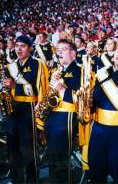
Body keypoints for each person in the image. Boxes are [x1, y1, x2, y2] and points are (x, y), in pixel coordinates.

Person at [88, 39, 118, 183]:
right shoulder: (102, 73)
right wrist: (89, 102)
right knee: (96, 169)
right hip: (98, 128)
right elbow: (95, 100)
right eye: (117, 50)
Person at [3, 35, 49, 183]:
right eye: (16, 46)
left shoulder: (38, 64)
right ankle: (16, 179)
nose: (19, 49)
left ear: (30, 48)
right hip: (12, 111)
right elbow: (7, 89)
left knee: (29, 150)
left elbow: (40, 90)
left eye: (22, 46)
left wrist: (14, 86)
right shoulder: (11, 66)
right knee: (12, 149)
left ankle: (32, 180)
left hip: (29, 110)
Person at [44, 39, 82, 183]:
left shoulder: (80, 71)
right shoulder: (57, 71)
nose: (59, 51)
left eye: (64, 49)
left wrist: (62, 90)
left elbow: (82, 99)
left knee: (61, 155)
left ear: (73, 53)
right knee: (51, 154)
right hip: (52, 115)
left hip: (67, 116)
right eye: (58, 49)